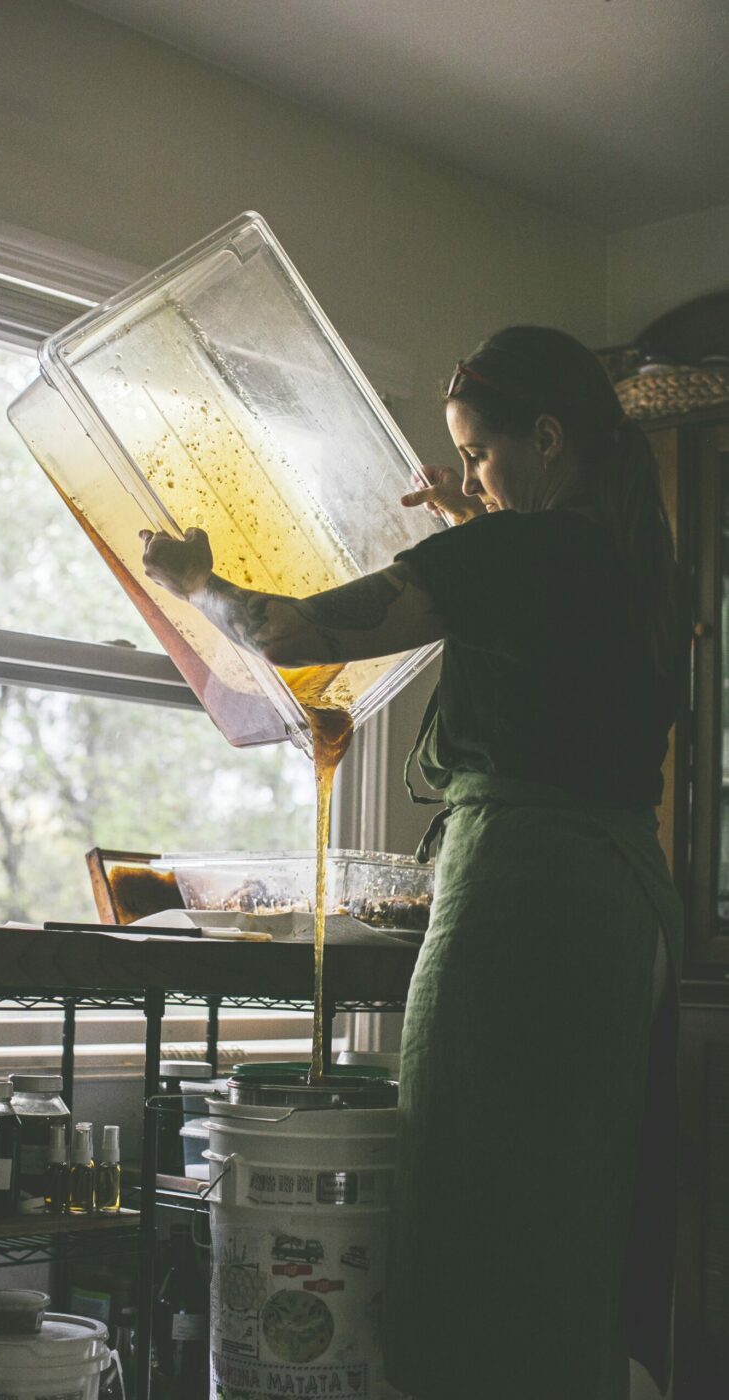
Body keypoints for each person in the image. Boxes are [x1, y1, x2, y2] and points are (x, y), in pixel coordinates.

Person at [141, 324, 683, 1400]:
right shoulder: (630, 557)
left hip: (523, 899)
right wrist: (477, 515)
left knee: (468, 1196)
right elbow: (541, 630)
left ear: (545, 435)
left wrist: (194, 580)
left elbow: (291, 630)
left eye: (479, 454)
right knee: (561, 1213)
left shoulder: (514, 557)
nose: (470, 476)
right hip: (619, 909)